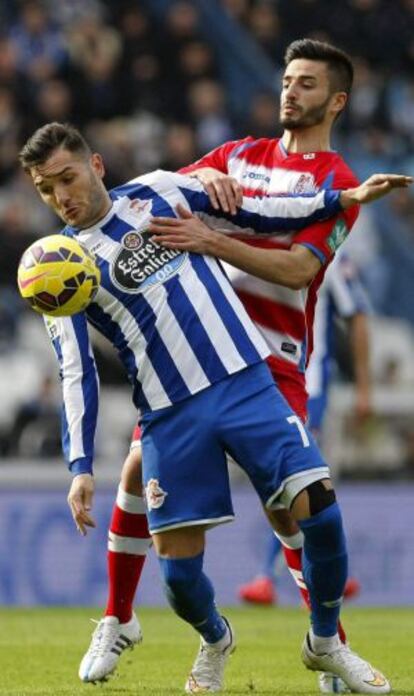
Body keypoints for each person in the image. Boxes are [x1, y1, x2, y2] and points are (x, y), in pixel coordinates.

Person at [18, 122, 405, 694]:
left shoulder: (158, 191)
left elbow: (261, 208)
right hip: (171, 417)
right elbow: (76, 373)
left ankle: (325, 642)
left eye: (67, 179)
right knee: (179, 579)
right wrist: (79, 468)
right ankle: (215, 636)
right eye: (46, 190)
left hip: (245, 383)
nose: (61, 197)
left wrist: (338, 198)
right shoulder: (58, 269)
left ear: (96, 165)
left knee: (318, 506)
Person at [238, 251, 370, 608]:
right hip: (261, 380)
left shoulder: (329, 250)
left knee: (293, 478)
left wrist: (364, 389)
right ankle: (330, 571)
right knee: (291, 480)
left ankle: (269, 575)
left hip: (307, 386)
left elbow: (357, 315)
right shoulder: (253, 235)